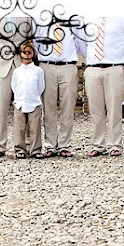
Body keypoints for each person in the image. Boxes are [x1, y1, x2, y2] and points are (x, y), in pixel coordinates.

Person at [82, 16, 124, 156]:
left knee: (114, 108)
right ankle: (97, 144)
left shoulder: (123, 17)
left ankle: (115, 144)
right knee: (95, 109)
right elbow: (82, 42)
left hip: (114, 67)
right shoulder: (87, 17)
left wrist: (120, 60)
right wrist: (90, 59)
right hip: (93, 68)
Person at [35, 20, 84, 158]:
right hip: (47, 66)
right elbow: (36, 41)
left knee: (67, 107)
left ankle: (64, 144)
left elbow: (80, 41)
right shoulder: (41, 18)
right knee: (48, 107)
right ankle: (50, 144)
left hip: (68, 66)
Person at [0, 16, 32, 158]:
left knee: (25, 106)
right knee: (1, 108)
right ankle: (0, 145)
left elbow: (30, 37)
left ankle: (25, 144)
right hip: (2, 65)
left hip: (21, 64)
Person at [11, 41, 45, 159]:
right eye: (24, 52)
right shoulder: (17, 71)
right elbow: (14, 86)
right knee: (19, 128)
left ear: (33, 54)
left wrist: (34, 96)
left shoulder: (38, 71)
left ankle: (35, 149)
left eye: (29, 52)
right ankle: (20, 149)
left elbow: (41, 87)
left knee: (35, 128)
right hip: (20, 102)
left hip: (34, 102)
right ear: (20, 54)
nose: (26, 54)